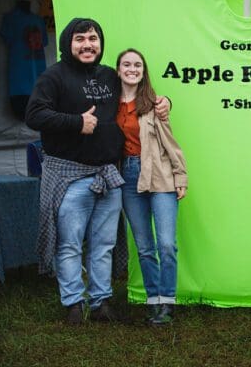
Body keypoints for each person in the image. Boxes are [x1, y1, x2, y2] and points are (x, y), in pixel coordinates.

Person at [26, 18, 170, 325]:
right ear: (68, 43)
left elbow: (137, 86)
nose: (88, 44)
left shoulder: (108, 75)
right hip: (69, 176)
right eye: (80, 39)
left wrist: (164, 101)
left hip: (108, 174)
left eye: (93, 38)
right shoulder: (54, 76)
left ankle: (102, 302)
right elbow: (34, 114)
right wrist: (77, 122)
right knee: (70, 243)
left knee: (104, 243)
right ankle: (74, 304)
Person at [116, 48, 188, 325]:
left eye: (137, 65)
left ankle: (167, 302)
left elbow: (172, 145)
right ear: (118, 70)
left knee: (166, 244)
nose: (132, 69)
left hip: (160, 176)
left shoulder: (154, 105)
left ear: (143, 72)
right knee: (144, 247)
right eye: (126, 64)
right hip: (128, 178)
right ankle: (153, 301)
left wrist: (180, 178)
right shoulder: (111, 105)